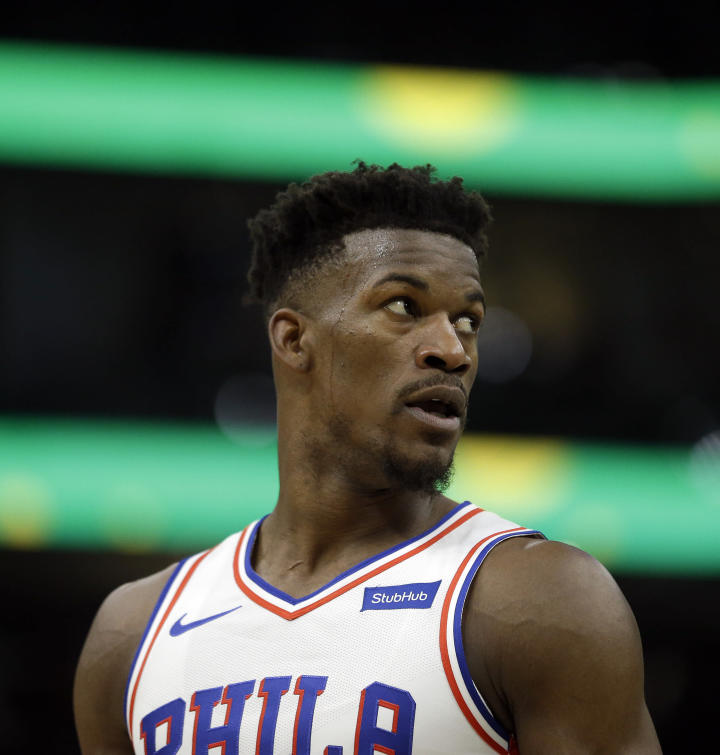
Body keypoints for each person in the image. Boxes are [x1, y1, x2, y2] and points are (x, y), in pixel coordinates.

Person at [74, 163, 662, 754]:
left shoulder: (538, 601)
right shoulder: (132, 635)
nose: (452, 350)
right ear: (293, 339)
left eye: (469, 321)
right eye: (404, 306)